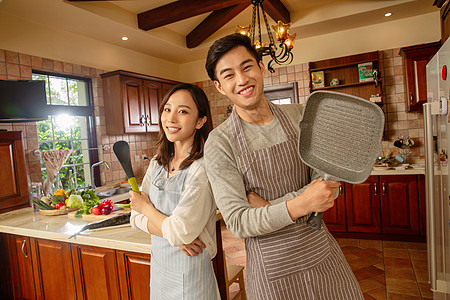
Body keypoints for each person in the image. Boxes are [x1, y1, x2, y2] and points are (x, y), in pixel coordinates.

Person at [204, 33, 363, 299]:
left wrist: (268, 207)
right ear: (219, 86)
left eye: (247, 67)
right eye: (229, 75)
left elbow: (325, 189)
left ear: (261, 68)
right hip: (272, 268)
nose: (242, 80)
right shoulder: (219, 143)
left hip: (319, 252)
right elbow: (240, 222)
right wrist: (304, 201)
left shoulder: (300, 116)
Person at [129, 83, 219, 300]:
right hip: (160, 270)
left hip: (191, 274)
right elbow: (135, 219)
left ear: (200, 121)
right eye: (167, 109)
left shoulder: (201, 168)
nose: (171, 118)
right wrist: (176, 235)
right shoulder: (157, 164)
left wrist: (146, 208)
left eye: (183, 111)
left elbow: (172, 227)